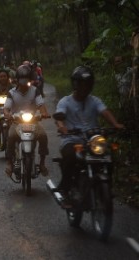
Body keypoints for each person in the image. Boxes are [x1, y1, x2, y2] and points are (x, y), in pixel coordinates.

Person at [53, 66, 124, 205]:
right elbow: (59, 117)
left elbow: (105, 112)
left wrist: (115, 124)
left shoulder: (94, 100)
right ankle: (65, 188)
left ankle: (106, 186)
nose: (84, 87)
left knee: (108, 157)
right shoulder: (65, 101)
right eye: (81, 83)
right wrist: (62, 127)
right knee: (70, 157)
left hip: (93, 140)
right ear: (75, 84)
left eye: (87, 84)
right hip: (72, 139)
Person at [4, 65, 50, 177]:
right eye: (22, 78)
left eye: (26, 78)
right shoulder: (12, 92)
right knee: (10, 137)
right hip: (17, 123)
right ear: (18, 79)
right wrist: (8, 115)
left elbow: (41, 105)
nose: (24, 81)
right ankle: (10, 163)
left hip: (33, 122)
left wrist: (44, 113)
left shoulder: (35, 91)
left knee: (43, 136)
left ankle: (42, 162)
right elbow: (6, 108)